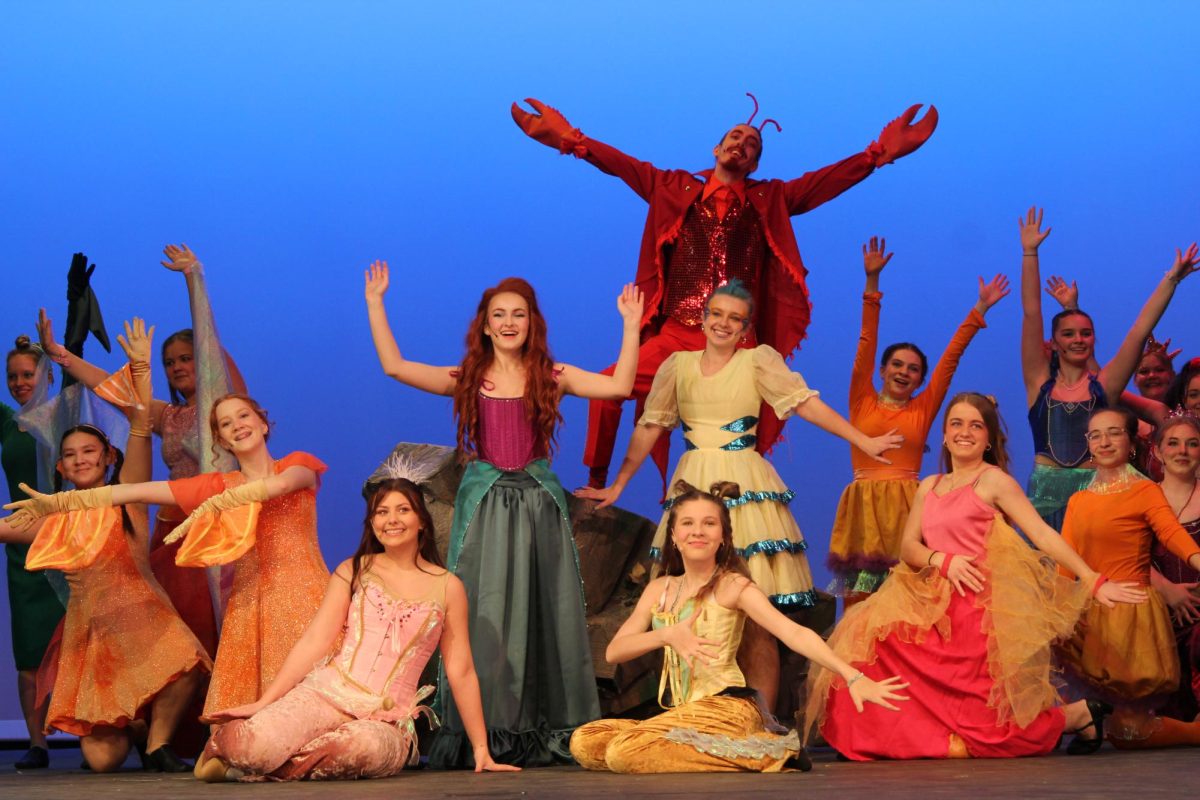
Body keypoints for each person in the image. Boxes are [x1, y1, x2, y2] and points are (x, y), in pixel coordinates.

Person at [511, 95, 937, 488]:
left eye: (753, 144)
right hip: (678, 334)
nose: (743, 143)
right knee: (608, 387)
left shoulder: (770, 198)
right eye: (736, 136)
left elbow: (824, 182)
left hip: (739, 341)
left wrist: (876, 155)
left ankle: (738, 500)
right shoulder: (671, 186)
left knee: (738, 425)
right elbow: (619, 164)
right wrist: (569, 139)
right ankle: (598, 483)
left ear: (753, 164)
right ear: (716, 150)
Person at [364, 261, 642, 767]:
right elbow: (395, 366)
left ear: (532, 323)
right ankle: (483, 732)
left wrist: (629, 326)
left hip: (538, 501)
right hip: (486, 503)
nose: (510, 322)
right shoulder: (470, 378)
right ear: (486, 324)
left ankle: (552, 727)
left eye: (519, 314)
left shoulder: (552, 377)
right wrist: (376, 303)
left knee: (549, 607)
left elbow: (621, 387)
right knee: (483, 611)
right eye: (500, 314)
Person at [578, 279, 900, 707]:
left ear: (745, 327)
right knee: (688, 606)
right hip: (694, 481)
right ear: (704, 317)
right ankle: (692, 707)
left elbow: (804, 404)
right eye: (718, 314)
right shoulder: (679, 365)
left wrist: (861, 440)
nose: (724, 324)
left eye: (735, 318)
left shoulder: (756, 362)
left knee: (755, 617)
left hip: (745, 485)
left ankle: (760, 718)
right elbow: (651, 425)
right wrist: (618, 483)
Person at [807, 393, 1145, 759]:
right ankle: (875, 733)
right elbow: (908, 546)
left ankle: (1074, 716)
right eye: (956, 423)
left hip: (977, 614)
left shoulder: (993, 481)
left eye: (975, 425)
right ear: (944, 435)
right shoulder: (930, 485)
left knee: (986, 735)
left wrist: (1092, 579)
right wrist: (941, 559)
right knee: (864, 640)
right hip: (929, 605)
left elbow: (1043, 535)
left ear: (988, 439)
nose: (964, 432)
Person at [6, 391, 330, 724]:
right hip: (250, 609)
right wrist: (62, 503)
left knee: (312, 710)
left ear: (262, 423)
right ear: (221, 440)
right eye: (226, 424)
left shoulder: (296, 463)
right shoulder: (217, 485)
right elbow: (133, 491)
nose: (238, 426)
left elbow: (280, 486)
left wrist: (221, 501)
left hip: (306, 599)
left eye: (244, 416)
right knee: (234, 746)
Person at [193, 477, 520, 781]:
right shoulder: (354, 570)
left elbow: (460, 669)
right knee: (254, 745)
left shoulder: (448, 587)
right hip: (325, 695)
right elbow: (315, 641)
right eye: (382, 512)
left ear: (422, 520)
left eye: (403, 510)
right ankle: (232, 751)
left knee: (360, 748)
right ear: (373, 523)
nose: (391, 519)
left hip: (385, 723)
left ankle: (264, 766)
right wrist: (263, 702)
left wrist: (481, 749)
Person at [570, 480, 908, 773]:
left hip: (727, 706)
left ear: (723, 536)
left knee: (622, 752)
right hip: (682, 711)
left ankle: (765, 753)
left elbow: (792, 633)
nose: (698, 531)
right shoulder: (660, 589)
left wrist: (852, 675)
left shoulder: (732, 586)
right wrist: (666, 634)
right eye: (687, 523)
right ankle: (714, 748)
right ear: (674, 535)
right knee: (586, 741)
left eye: (709, 523)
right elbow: (615, 651)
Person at [0, 319, 210, 772]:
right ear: (60, 466)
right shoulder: (55, 516)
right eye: (70, 454)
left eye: (89, 451)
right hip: (95, 634)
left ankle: (156, 744)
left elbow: (138, 421)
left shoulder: (128, 496)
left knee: (189, 661)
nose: (79, 459)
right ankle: (134, 729)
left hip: (145, 617)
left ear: (108, 458)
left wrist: (139, 367)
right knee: (101, 760)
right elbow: (7, 528)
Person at [38, 243, 245, 659]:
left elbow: (208, 344)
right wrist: (60, 354)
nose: (177, 367)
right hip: (171, 533)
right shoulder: (167, 415)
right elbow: (114, 390)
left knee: (216, 625)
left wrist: (194, 279)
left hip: (216, 529)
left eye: (186, 358)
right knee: (174, 635)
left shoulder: (221, 410)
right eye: (169, 363)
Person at [828, 237, 1009, 608]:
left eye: (913, 369)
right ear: (881, 370)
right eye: (897, 365)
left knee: (912, 595)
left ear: (921, 379)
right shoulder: (861, 398)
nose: (904, 372)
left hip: (910, 507)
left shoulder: (922, 409)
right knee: (860, 599)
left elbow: (950, 359)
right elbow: (866, 339)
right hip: (864, 505)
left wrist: (980, 309)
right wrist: (872, 284)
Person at [1019, 207, 1198, 529]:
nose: (1078, 340)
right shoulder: (1039, 384)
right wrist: (1030, 252)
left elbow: (1140, 330)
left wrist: (1172, 279)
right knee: (1047, 575)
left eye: (1086, 333)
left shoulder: (1103, 386)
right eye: (1068, 334)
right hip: (1045, 497)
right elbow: (1032, 313)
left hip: (1098, 491)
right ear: (1055, 342)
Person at [1058, 407, 1200, 748]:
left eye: (1114, 433)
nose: (1105, 441)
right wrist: (1057, 611)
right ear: (1088, 444)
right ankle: (1089, 723)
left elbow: (1170, 533)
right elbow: (1066, 561)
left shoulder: (1145, 490)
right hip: (1089, 609)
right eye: (1096, 435)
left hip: (1130, 613)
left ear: (1130, 442)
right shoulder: (1078, 500)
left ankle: (1193, 733)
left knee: (1129, 732)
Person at [1, 336, 66, 769]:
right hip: (23, 548)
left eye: (30, 374)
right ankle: (37, 741)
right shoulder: (7, 422)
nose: (21, 383)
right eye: (13, 376)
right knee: (29, 650)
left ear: (49, 376)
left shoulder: (67, 415)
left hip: (66, 540)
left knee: (79, 643)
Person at [1150, 413, 1200, 722]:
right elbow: (1127, 556)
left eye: (1192, 444)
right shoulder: (1142, 498)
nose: (1182, 451)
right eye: (1173, 443)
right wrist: (1167, 590)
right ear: (1157, 451)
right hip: (1158, 615)